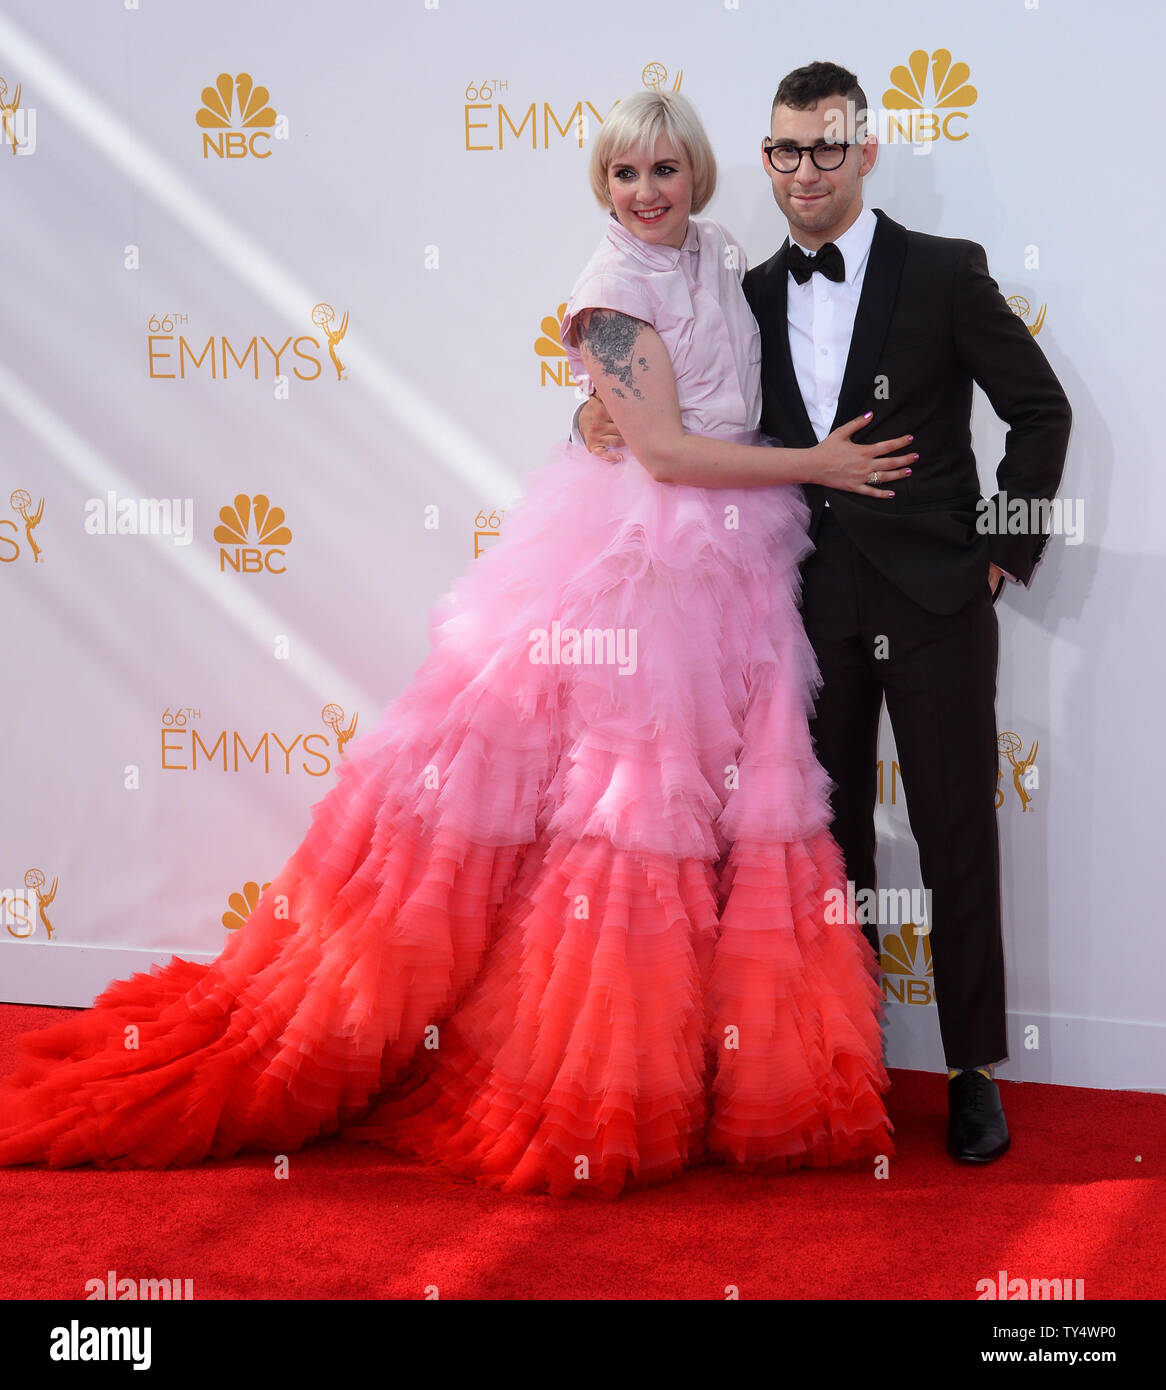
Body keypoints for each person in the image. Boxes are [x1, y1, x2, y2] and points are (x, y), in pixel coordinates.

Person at [0, 91, 915, 1198]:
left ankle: (723, 1077)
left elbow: (689, 409)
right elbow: (667, 455)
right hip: (643, 572)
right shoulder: (609, 294)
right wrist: (814, 464)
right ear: (601, 185)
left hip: (737, 568)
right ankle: (588, 1086)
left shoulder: (719, 251)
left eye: (664, 170)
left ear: (700, 176)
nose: (645, 193)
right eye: (624, 175)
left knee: (724, 812)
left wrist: (633, 431)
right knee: (624, 813)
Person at [580, 64, 1073, 1164]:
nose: (807, 169)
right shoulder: (742, 287)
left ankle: (970, 1069)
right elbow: (677, 403)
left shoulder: (943, 274)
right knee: (825, 851)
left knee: (954, 834)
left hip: (941, 599)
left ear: (863, 153)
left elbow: (1039, 411)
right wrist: (591, 409)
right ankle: (846, 1059)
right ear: (764, 161)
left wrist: (1002, 552)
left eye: (828, 147)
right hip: (801, 606)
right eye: (787, 151)